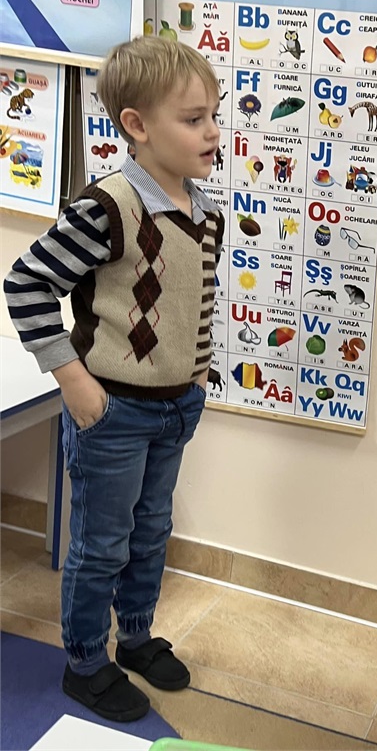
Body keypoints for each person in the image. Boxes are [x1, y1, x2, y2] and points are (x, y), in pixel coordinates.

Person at [3, 36, 224, 722]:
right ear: (137, 125)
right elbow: (26, 284)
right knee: (101, 544)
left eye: (214, 115)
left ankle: (134, 637)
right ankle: (84, 663)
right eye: (194, 119)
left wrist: (197, 378)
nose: (213, 132)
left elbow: (191, 302)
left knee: (150, 532)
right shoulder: (106, 208)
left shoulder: (203, 209)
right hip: (114, 413)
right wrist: (71, 379)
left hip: (176, 408)